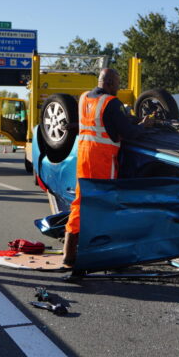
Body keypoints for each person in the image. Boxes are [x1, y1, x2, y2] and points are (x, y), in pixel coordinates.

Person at [62, 68, 153, 267]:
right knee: (106, 203)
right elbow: (128, 132)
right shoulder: (111, 103)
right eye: (118, 84)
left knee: (81, 201)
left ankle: (69, 253)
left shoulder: (85, 97)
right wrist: (144, 125)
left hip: (84, 156)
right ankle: (104, 252)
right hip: (102, 159)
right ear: (110, 83)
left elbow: (99, 122)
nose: (119, 88)